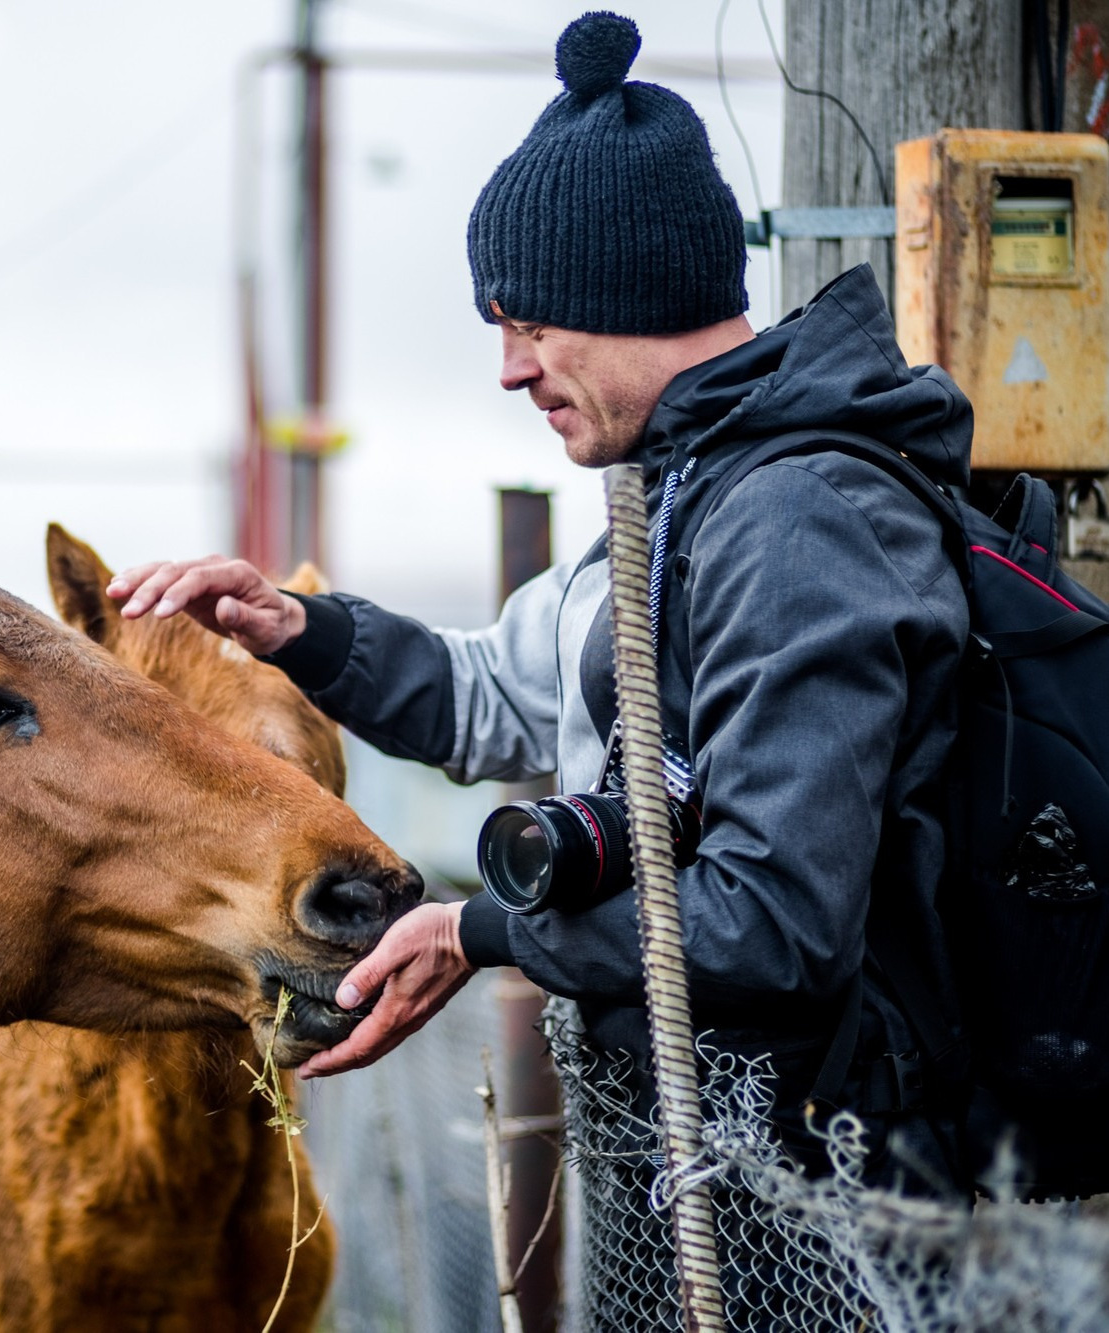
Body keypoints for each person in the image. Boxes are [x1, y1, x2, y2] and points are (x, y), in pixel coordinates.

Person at [109, 11, 973, 1191]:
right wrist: (299, 632)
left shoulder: (792, 525)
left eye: (528, 321)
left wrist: (482, 931)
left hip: (825, 1179)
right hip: (703, 1153)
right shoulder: (670, 502)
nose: (510, 368)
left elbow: (771, 925)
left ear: (624, 290)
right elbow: (490, 695)